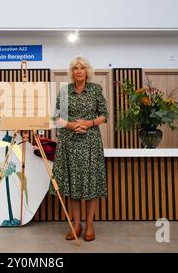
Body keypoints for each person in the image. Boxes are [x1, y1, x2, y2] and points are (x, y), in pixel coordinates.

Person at [51, 56, 108, 242]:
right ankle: (76, 224)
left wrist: (88, 123)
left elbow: (104, 116)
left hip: (90, 141)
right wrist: (71, 126)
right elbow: (57, 118)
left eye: (82, 68)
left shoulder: (95, 90)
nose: (78, 71)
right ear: (72, 72)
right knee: (73, 185)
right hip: (69, 141)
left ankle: (90, 226)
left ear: (87, 71)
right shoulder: (65, 91)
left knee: (90, 185)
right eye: (75, 68)